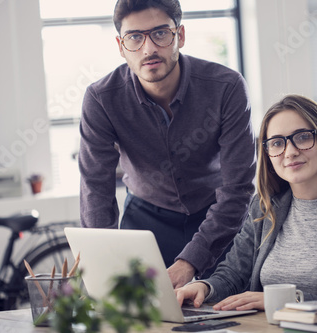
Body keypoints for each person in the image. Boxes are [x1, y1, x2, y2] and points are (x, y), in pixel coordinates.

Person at [78, 0, 256, 288]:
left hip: (220, 219)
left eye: (160, 33)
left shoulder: (227, 87)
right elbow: (95, 190)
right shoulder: (101, 99)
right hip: (146, 221)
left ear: (180, 36)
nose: (148, 49)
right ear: (121, 46)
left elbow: (239, 188)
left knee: (228, 314)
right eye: (135, 37)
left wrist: (190, 262)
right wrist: (102, 266)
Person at [175, 94, 317, 311]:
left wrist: (286, 301)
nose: (290, 152)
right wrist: (204, 286)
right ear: (268, 153)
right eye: (277, 143)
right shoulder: (264, 207)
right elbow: (233, 274)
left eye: (303, 137)